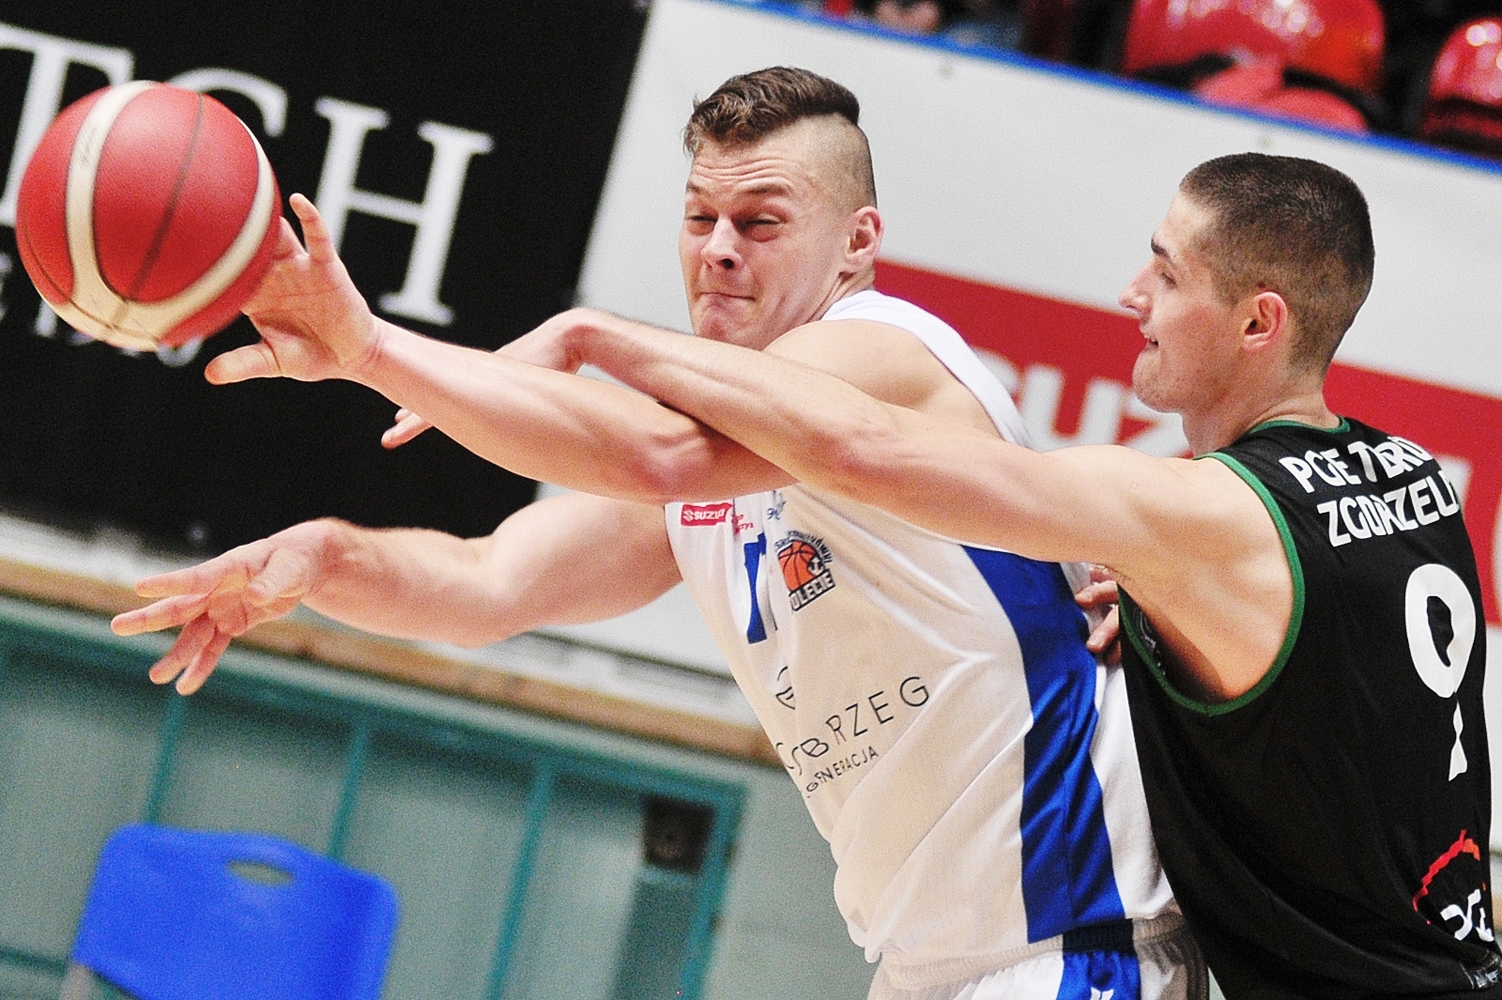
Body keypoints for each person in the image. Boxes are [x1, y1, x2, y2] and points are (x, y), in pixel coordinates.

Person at [112, 68, 1200, 1000]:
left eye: (760, 223)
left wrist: (369, 348)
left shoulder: (881, 350)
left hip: (1073, 942)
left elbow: (656, 451)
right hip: (935, 963)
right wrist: (320, 559)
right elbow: (490, 584)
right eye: (698, 218)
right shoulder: (712, 463)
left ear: (857, 243)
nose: (719, 250)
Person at [539, 151, 1500, 999]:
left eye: (1167, 274)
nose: (1133, 294)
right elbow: (1336, 671)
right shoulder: (1414, 479)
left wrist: (596, 338)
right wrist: (1176, 610)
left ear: (1259, 322)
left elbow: (863, 450)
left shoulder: (1211, 516)